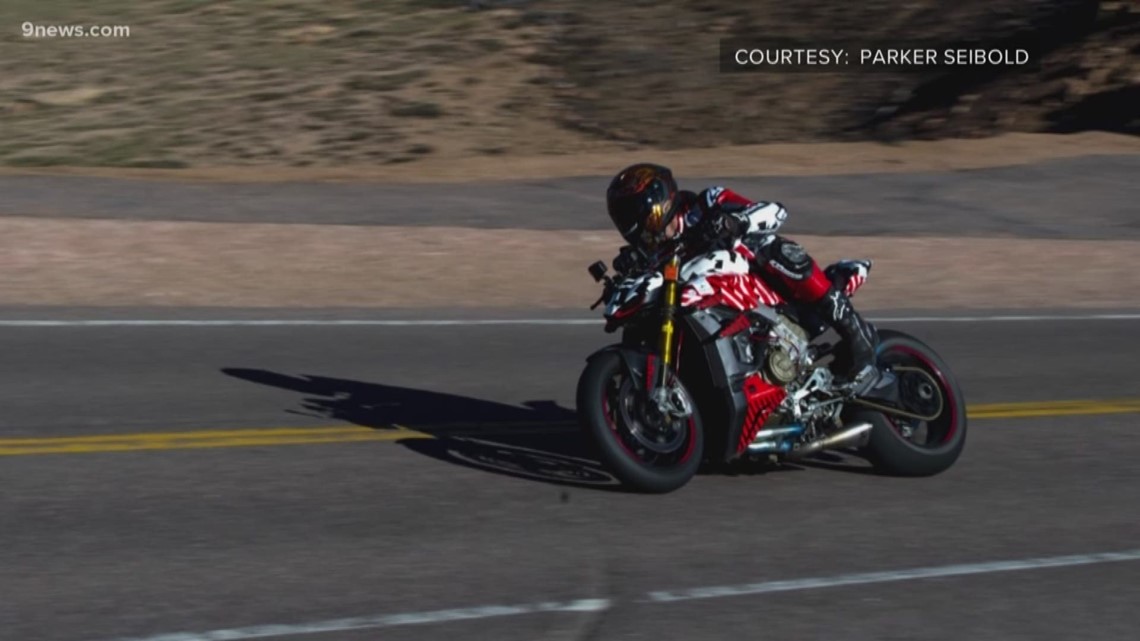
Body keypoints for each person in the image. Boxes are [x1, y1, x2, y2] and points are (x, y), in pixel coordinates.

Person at [604, 162, 893, 398]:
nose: (630, 223)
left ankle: (858, 338)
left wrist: (735, 222)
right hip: (709, 305)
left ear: (655, 199)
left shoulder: (705, 204)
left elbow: (775, 212)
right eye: (623, 218)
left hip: (760, 287)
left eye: (632, 212)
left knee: (773, 248)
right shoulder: (655, 253)